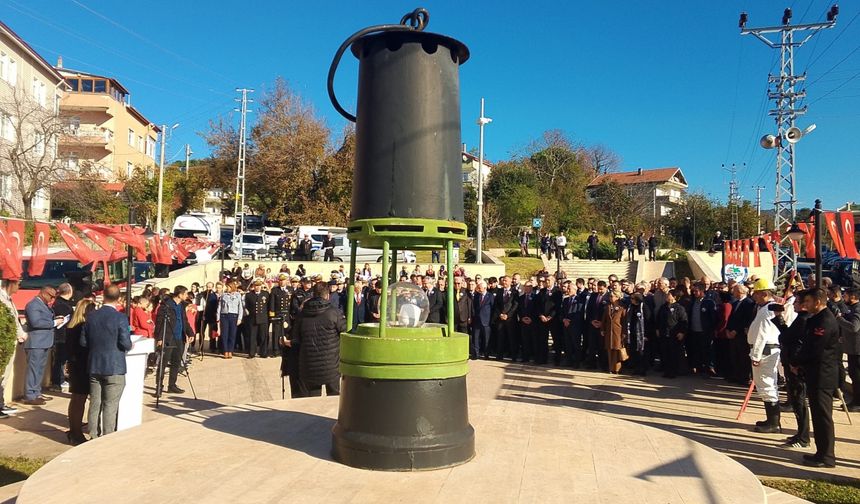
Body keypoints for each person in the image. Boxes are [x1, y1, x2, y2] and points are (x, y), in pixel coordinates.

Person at [792, 288, 841, 468]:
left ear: (818, 302)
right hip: (815, 373)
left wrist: (798, 362)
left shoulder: (825, 321)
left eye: (809, 302)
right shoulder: (817, 319)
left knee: (822, 416)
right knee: (818, 416)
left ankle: (827, 455)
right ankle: (821, 452)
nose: (806, 305)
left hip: (822, 375)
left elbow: (815, 348)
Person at [80, 285, 132, 438]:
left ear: (103, 296)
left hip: (95, 365)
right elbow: (125, 343)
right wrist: (129, 345)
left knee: (95, 403)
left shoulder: (91, 316)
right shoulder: (120, 317)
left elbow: (83, 342)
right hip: (115, 366)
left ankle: (93, 435)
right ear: (119, 299)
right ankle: (108, 437)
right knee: (110, 404)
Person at [747, 278, 791, 434]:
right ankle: (771, 419)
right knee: (765, 386)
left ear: (764, 294)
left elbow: (762, 335)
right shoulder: (765, 308)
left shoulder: (767, 310)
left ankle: (774, 423)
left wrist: (756, 356)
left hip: (765, 351)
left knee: (767, 385)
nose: (754, 296)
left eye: (756, 293)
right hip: (765, 350)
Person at [289, 281, 346, 397]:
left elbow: (296, 338)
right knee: (333, 398)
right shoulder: (334, 312)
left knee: (313, 401)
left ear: (313, 294)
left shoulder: (302, 313)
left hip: (309, 364)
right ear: (327, 295)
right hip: (331, 363)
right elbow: (345, 333)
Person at [774, 293, 810, 449]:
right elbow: (787, 335)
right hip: (791, 362)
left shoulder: (804, 320)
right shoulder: (800, 318)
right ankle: (800, 433)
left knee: (800, 401)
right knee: (796, 401)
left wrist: (795, 363)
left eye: (797, 303)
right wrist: (778, 317)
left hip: (796, 366)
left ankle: (803, 437)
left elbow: (789, 338)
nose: (794, 305)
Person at [65, 298, 95, 444]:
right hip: (83, 366)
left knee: (76, 400)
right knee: (80, 400)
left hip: (75, 366)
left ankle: (74, 430)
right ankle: (76, 433)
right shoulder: (83, 327)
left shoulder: (71, 326)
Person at [154, 286, 195, 395]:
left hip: (179, 338)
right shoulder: (166, 306)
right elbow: (159, 323)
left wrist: (190, 332)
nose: (186, 296)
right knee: (163, 362)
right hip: (168, 337)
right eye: (185, 294)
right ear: (180, 294)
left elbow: (184, 320)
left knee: (176, 362)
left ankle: (172, 385)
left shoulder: (181, 305)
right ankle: (159, 386)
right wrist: (159, 338)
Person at [23, 286, 60, 405]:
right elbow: (36, 322)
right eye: (51, 296)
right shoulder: (33, 305)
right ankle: (30, 395)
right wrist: (54, 323)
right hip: (36, 343)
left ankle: (36, 392)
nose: (52, 299)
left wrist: (56, 319)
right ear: (43, 293)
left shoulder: (44, 305)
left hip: (44, 342)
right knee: (33, 369)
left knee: (39, 370)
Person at [0, 279, 26, 419]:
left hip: (9, 343)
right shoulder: (2, 299)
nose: (19, 287)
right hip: (4, 343)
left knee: (5, 375)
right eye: (17, 283)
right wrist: (20, 334)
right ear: (10, 284)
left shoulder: (7, 298)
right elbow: (10, 321)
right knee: (1, 375)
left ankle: (1, 403)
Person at [838, 288, 860, 412]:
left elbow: (854, 327)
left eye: (845, 295)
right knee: (853, 374)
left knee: (856, 376)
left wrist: (840, 319)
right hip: (852, 348)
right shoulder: (852, 308)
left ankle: (858, 402)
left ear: (852, 297)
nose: (843, 298)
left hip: (857, 349)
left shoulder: (857, 309)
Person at [658, 289, 687, 379]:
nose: (667, 296)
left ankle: (674, 371)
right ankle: (667, 371)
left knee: (673, 353)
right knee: (665, 353)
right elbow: (658, 319)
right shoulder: (663, 307)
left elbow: (684, 321)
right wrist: (657, 329)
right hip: (664, 333)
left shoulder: (679, 308)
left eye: (669, 295)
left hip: (674, 334)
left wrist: (682, 332)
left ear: (674, 296)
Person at [51, 283, 75, 390]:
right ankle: (58, 381)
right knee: (59, 359)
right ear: (69, 292)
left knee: (61, 359)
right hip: (61, 336)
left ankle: (60, 380)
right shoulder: (61, 305)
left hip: (63, 335)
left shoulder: (62, 303)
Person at [492, 275, 519, 361]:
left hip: (510, 319)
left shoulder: (515, 292)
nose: (504, 282)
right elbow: (496, 304)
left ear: (510, 282)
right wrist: (500, 314)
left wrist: (508, 315)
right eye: (503, 281)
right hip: (500, 318)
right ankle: (499, 355)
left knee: (512, 338)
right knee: (500, 337)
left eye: (506, 281)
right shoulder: (499, 291)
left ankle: (513, 356)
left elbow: (515, 305)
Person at [602, 290, 627, 374]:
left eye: (612, 296)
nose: (611, 298)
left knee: (616, 350)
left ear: (617, 297)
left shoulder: (622, 308)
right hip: (609, 331)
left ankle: (616, 369)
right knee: (609, 350)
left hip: (618, 332)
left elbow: (624, 321)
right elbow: (604, 319)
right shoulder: (608, 307)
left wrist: (624, 332)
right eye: (610, 296)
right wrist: (602, 329)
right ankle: (610, 368)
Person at [244, 279, 270, 358]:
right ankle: (252, 353)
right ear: (253, 286)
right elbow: (247, 306)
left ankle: (263, 352)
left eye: (259, 285)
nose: (257, 287)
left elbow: (268, 306)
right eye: (256, 286)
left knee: (263, 336)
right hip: (253, 319)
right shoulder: (249, 295)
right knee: (252, 336)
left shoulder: (265, 294)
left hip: (263, 318)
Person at [217, 282, 243, 358]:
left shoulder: (238, 295)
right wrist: (218, 318)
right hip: (224, 316)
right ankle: (225, 350)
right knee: (224, 334)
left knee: (232, 334)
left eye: (228, 287)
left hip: (234, 316)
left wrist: (240, 318)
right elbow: (219, 307)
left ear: (232, 287)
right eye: (226, 287)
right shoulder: (223, 295)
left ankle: (230, 350)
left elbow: (240, 308)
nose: (227, 288)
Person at [471, 280, 494, 359]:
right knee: (475, 338)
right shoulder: (477, 296)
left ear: (484, 288)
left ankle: (486, 354)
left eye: (480, 288)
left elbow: (493, 308)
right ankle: (476, 354)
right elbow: (474, 306)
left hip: (486, 321)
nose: (478, 289)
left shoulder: (490, 296)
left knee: (486, 339)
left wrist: (491, 320)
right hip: (477, 320)